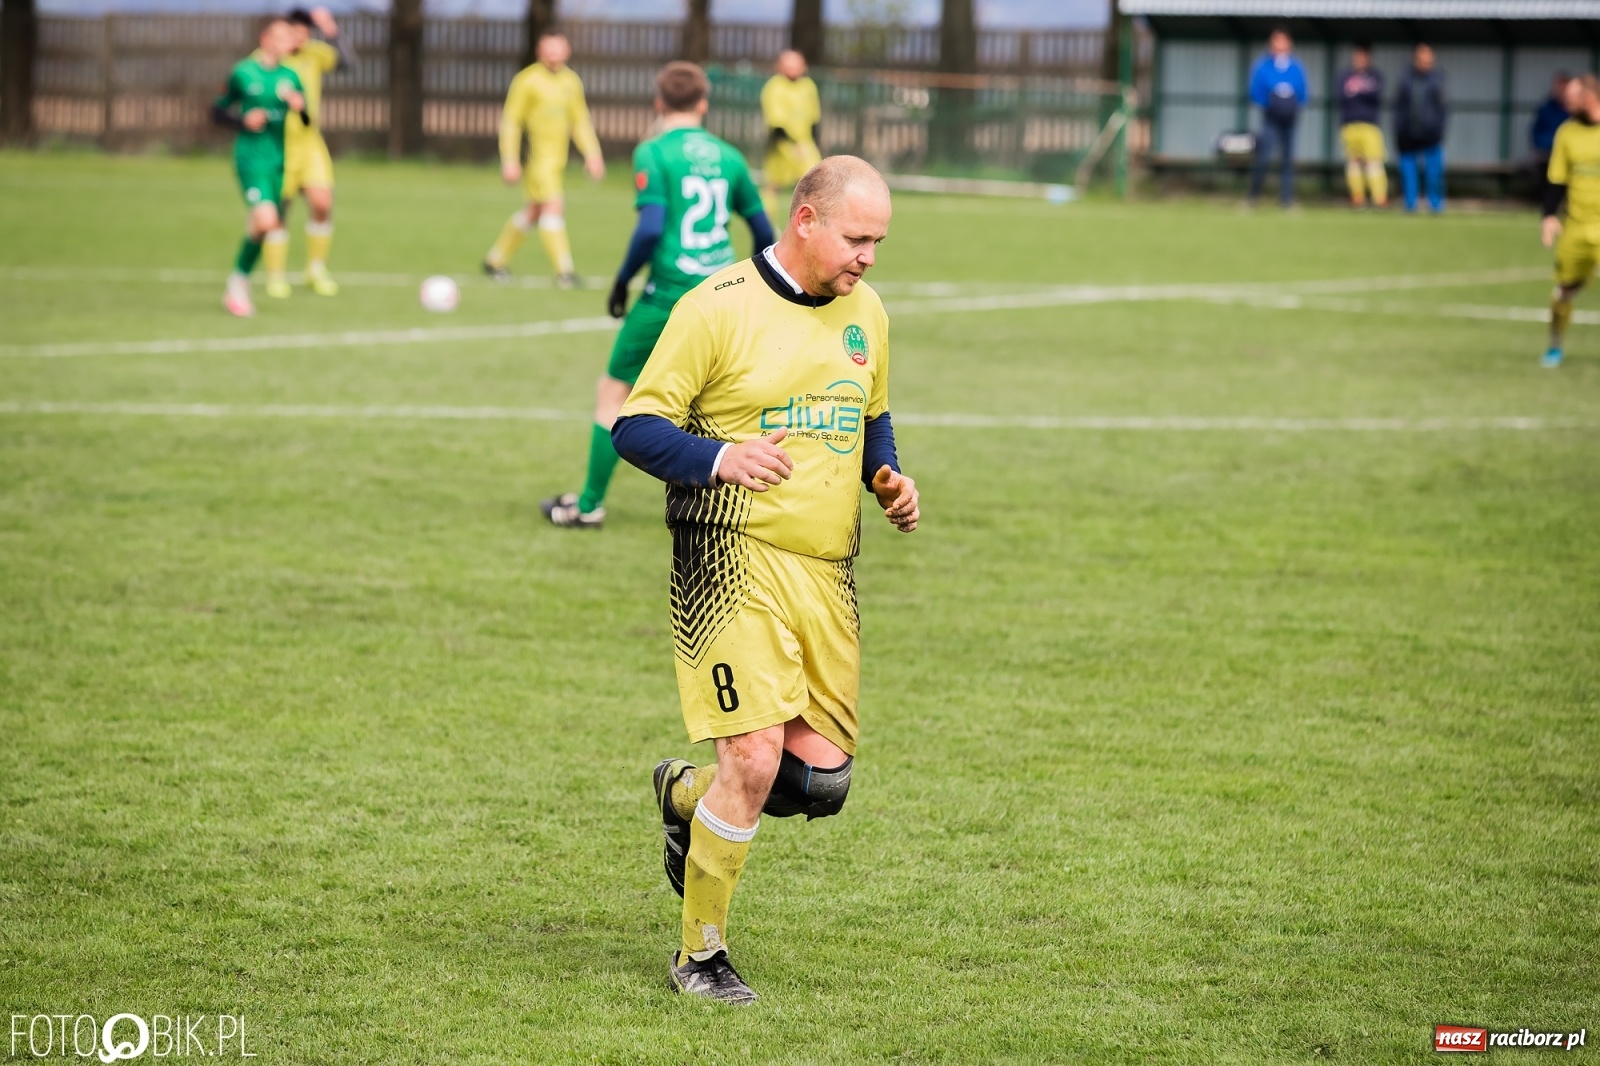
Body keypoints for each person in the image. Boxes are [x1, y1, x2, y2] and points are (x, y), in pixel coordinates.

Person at [611, 156, 919, 1003]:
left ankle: (684, 800)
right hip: (728, 557)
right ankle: (699, 956)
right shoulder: (716, 308)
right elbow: (634, 429)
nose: (868, 256)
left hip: (828, 575)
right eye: (857, 237)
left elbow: (872, 415)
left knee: (820, 780)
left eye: (879, 242)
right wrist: (718, 456)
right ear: (807, 220)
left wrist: (887, 476)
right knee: (750, 758)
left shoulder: (869, 314)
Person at [540, 62, 774, 529]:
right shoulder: (729, 156)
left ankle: (587, 506)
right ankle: (739, 511)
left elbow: (649, 229)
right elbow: (765, 232)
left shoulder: (653, 152)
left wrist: (623, 279)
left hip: (666, 295)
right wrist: (758, 291)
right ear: (704, 103)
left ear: (659, 102)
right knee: (717, 400)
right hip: (722, 296)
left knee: (614, 394)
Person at [483, 31, 604, 287]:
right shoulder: (527, 80)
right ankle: (564, 272)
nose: (553, 54)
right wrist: (510, 159)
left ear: (567, 51)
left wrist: (593, 154)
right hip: (538, 161)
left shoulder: (571, 82)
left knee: (534, 211)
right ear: (539, 51)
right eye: (549, 48)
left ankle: (495, 260)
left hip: (557, 160)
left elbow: (580, 121)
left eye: (558, 48)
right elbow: (511, 121)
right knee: (553, 207)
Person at [211, 16, 306, 318]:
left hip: (278, 161)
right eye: (281, 37)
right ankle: (238, 285)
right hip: (250, 159)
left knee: (262, 226)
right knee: (266, 222)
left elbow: (307, 120)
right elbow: (216, 112)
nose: (286, 42)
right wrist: (243, 121)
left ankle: (237, 285)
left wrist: (300, 108)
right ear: (265, 40)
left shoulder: (291, 77)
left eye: (289, 38)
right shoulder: (243, 72)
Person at [262, 6, 354, 300]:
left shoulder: (314, 53)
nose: (299, 40)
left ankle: (315, 270)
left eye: (305, 34)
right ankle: (276, 276)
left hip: (310, 142)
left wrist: (332, 32)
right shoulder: (267, 58)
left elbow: (348, 64)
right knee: (279, 211)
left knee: (322, 203)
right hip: (277, 145)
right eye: (294, 34)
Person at [1540, 74, 1600, 368]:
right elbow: (1557, 178)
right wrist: (1549, 216)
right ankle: (1555, 345)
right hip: (1576, 227)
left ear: (1590, 97)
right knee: (1563, 291)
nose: (1567, 101)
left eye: (1573, 96)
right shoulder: (1567, 132)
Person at [1246, 28, 1308, 209]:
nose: (1280, 45)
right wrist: (1272, 102)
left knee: (1288, 160)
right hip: (1271, 119)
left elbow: (1303, 92)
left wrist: (1291, 103)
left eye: (1283, 41)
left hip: (1290, 119)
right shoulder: (1263, 66)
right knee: (1263, 158)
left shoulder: (1296, 67)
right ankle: (1253, 197)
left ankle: (1286, 200)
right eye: (1276, 41)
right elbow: (1255, 92)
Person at [760, 50, 823, 220]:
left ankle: (810, 222)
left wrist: (813, 143)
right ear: (780, 66)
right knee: (773, 185)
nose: (793, 68)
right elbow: (776, 123)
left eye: (796, 63)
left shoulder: (808, 85)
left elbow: (814, 117)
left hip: (805, 143)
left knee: (816, 182)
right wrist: (792, 145)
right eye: (788, 63)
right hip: (782, 143)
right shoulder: (774, 87)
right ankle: (767, 225)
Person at [1394, 44, 1447, 214]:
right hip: (1408, 135)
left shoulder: (1437, 80)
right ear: (1416, 60)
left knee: (1434, 175)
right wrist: (1398, 130)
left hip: (1431, 135)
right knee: (1409, 174)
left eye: (1430, 61)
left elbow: (1443, 109)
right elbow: (1399, 107)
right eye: (1424, 61)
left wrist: (1439, 130)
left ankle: (1436, 206)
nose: (1427, 64)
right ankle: (1410, 206)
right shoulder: (1405, 79)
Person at [1337, 43, 1387, 208]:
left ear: (1368, 58)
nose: (1359, 60)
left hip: (1370, 125)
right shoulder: (1345, 76)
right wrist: (1361, 92)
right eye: (1357, 56)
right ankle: (1357, 198)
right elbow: (1342, 97)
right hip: (1349, 125)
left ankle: (1379, 198)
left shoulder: (1375, 76)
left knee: (1373, 163)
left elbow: (1375, 96)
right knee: (1353, 164)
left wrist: (1358, 91)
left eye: (1363, 56)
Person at [1530, 72, 1572, 207]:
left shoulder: (1576, 111)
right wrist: (1542, 145)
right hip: (1547, 151)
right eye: (1558, 86)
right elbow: (1536, 130)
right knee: (1548, 175)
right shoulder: (1546, 107)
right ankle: (1547, 206)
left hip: (1569, 154)